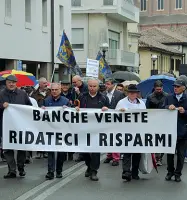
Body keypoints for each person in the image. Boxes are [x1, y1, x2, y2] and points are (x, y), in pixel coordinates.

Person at [75, 78, 109, 181]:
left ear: (98, 87)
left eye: (94, 86)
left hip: (97, 128)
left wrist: (106, 109)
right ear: (87, 86)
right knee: (84, 150)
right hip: (84, 128)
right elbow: (75, 108)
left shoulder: (103, 98)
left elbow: (111, 111)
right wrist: (76, 108)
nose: (92, 88)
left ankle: (94, 171)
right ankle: (89, 165)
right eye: (90, 86)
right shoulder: (82, 96)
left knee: (95, 150)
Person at [0, 75, 32, 179]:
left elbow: (29, 107)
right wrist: (1, 106)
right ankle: (12, 170)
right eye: (9, 82)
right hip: (5, 127)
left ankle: (21, 168)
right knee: (7, 149)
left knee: (21, 148)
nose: (11, 84)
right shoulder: (1, 94)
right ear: (6, 83)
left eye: (13, 82)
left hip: (20, 126)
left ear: (16, 83)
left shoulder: (22, 94)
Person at [115, 84, 146, 181]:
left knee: (137, 154)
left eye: (134, 92)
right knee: (127, 152)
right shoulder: (121, 102)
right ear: (128, 93)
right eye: (130, 92)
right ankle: (126, 172)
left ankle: (135, 172)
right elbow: (114, 116)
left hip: (138, 131)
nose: (132, 94)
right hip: (126, 131)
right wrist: (120, 112)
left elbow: (145, 117)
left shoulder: (141, 103)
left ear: (137, 93)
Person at [43, 83, 70, 180]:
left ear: (60, 90)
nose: (54, 91)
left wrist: (68, 110)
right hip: (50, 130)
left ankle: (59, 170)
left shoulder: (66, 101)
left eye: (56, 90)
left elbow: (71, 116)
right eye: (52, 90)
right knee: (50, 151)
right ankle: (50, 171)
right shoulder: (46, 101)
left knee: (61, 152)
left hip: (62, 131)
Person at [163, 79, 187, 182]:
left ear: (184, 88)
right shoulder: (169, 97)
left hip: (183, 131)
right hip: (170, 131)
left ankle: (178, 174)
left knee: (181, 155)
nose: (175, 88)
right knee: (170, 154)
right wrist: (168, 106)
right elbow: (162, 109)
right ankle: (170, 172)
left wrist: (184, 111)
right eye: (175, 86)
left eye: (177, 86)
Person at [103, 78, 124, 166]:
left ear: (113, 84)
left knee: (115, 138)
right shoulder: (103, 94)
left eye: (108, 84)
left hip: (116, 119)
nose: (106, 86)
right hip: (106, 119)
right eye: (106, 84)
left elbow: (122, 105)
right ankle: (109, 155)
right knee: (108, 137)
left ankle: (116, 157)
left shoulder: (119, 94)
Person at [146, 80, 168, 166]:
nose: (159, 90)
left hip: (163, 121)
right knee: (154, 139)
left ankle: (159, 157)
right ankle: (155, 156)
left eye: (160, 89)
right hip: (153, 121)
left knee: (162, 139)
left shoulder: (167, 96)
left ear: (162, 88)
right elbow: (147, 109)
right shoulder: (150, 97)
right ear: (154, 88)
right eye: (157, 89)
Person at [31, 77, 50, 159]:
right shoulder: (34, 93)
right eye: (44, 83)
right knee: (39, 134)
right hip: (38, 117)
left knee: (47, 134)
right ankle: (39, 151)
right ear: (40, 84)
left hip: (48, 116)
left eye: (46, 83)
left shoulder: (50, 92)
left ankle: (46, 151)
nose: (46, 84)